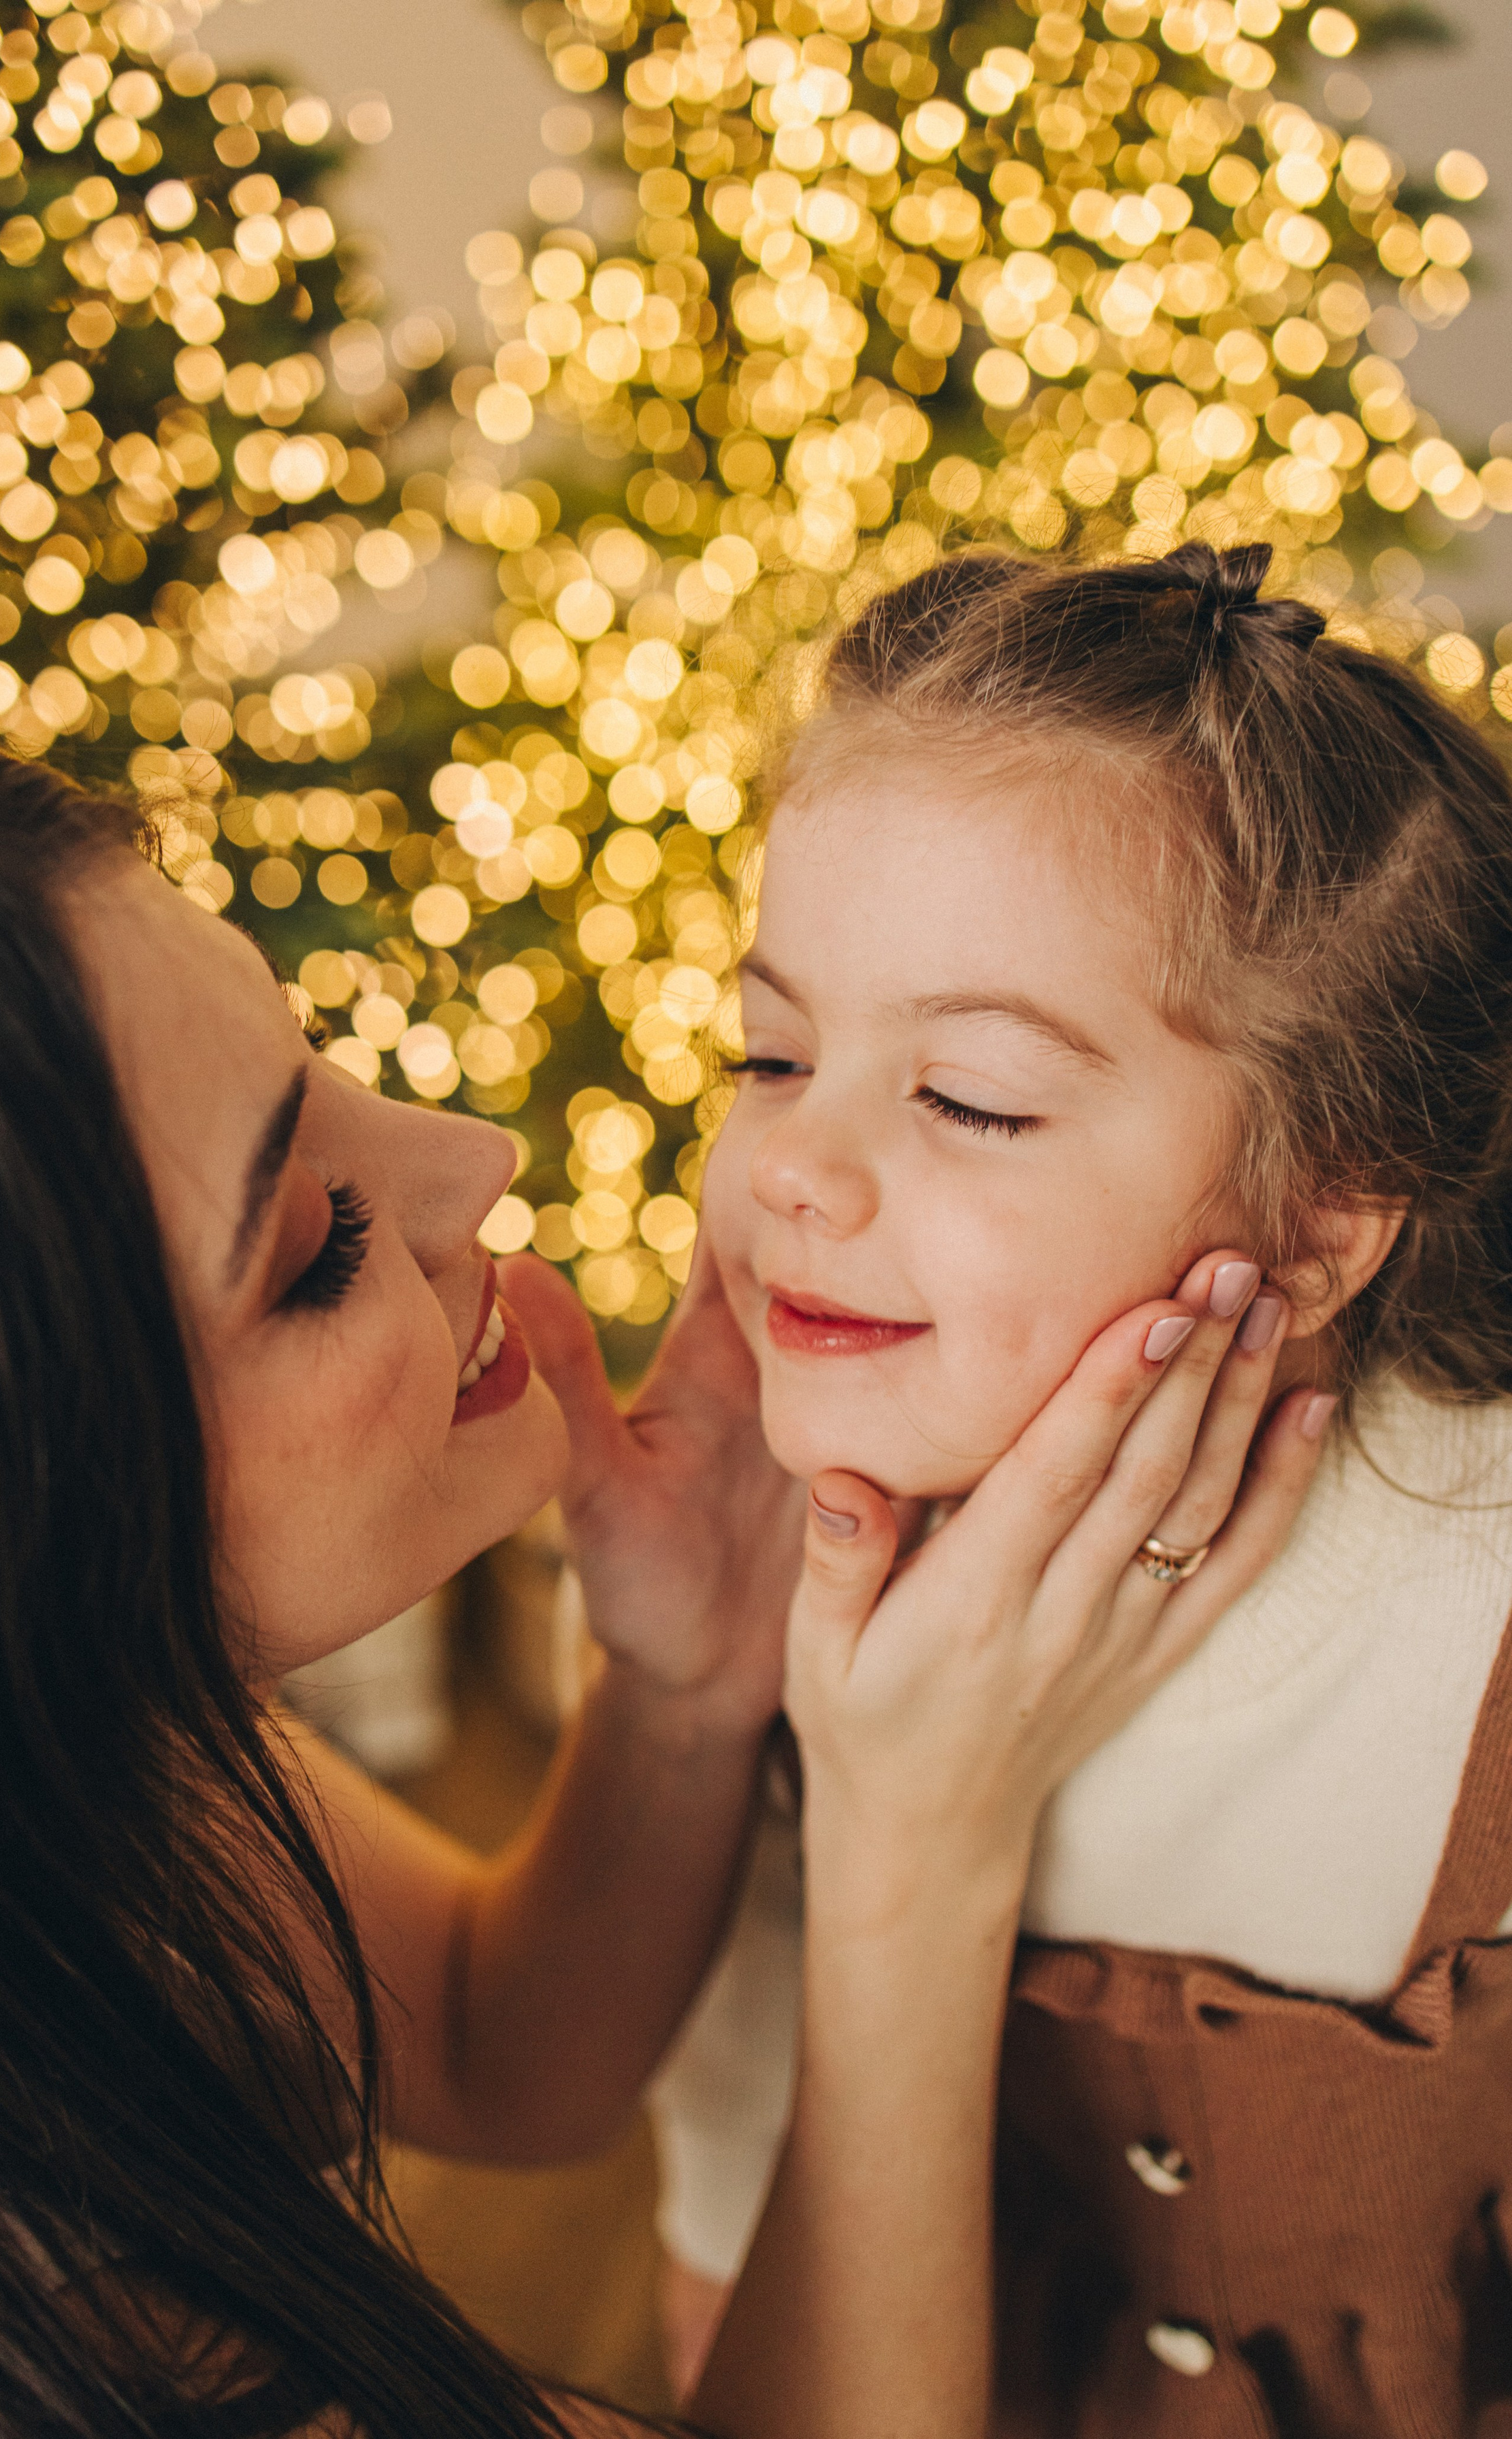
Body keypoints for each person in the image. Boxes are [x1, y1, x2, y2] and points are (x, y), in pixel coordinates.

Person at [0, 715, 1317, 2439]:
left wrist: (683, 1690)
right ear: (10, 1565)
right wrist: (916, 1837)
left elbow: (501, 2044)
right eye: (315, 1245)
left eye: (324, 1065)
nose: (469, 1157)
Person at [650, 540, 1512, 2433]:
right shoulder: (744, 1572)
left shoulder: (1482, 1604)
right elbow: (727, 2185)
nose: (792, 1162)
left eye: (970, 1099)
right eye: (768, 1051)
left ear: (1312, 1227)